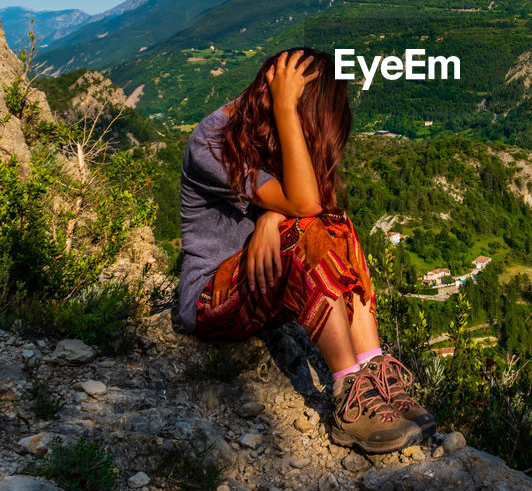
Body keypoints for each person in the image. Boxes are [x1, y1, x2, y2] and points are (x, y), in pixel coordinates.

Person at [174, 47, 434, 454]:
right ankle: (349, 395)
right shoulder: (210, 142)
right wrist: (285, 107)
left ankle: (373, 374)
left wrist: (270, 218)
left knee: (338, 224)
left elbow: (316, 204)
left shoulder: (264, 131)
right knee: (308, 228)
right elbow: (305, 207)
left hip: (262, 279)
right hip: (210, 297)